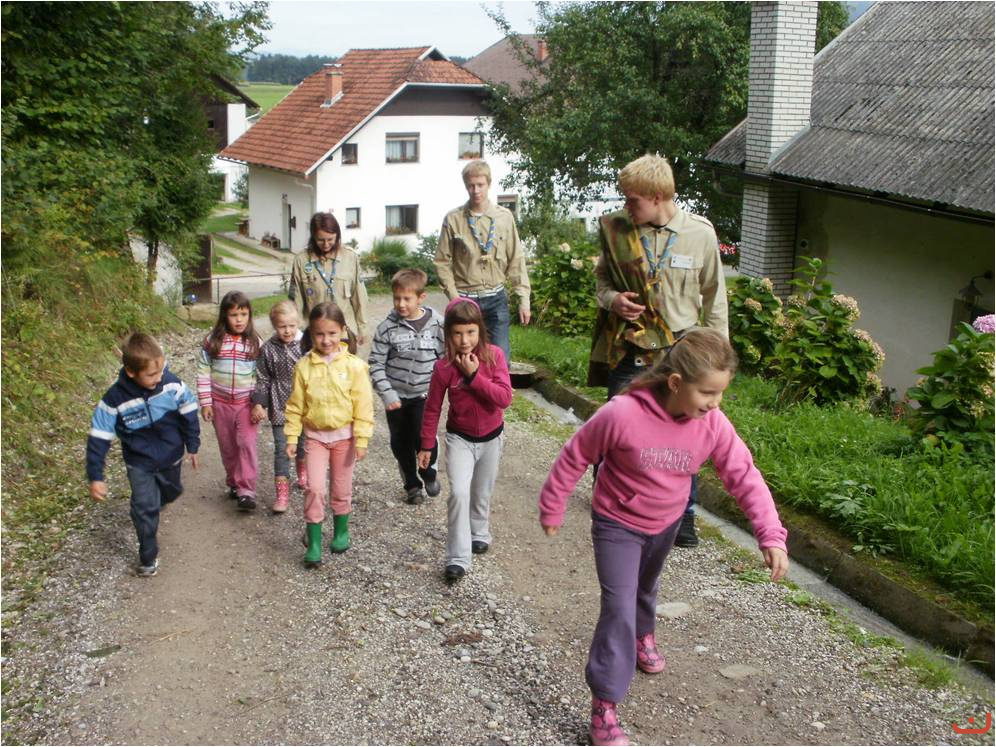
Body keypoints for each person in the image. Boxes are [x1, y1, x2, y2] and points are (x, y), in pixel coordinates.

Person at [540, 329, 788, 747]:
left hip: (666, 522)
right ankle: (604, 705)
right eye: (707, 392)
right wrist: (553, 504)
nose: (715, 403)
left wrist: (770, 534)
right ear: (675, 383)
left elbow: (744, 475)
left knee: (646, 588)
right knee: (618, 607)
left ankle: (643, 634)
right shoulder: (621, 414)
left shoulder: (712, 423)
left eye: (721, 393)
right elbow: (575, 455)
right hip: (617, 523)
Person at [589, 153, 729, 548]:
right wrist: (614, 300)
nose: (626, 206)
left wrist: (717, 359)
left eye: (632, 199)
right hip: (630, 349)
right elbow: (601, 284)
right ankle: (611, 499)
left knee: (686, 431)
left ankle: (684, 514)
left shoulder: (700, 234)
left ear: (656, 196)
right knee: (617, 426)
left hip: (679, 352)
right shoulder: (618, 230)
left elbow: (714, 298)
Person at [86, 333, 200, 577]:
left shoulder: (171, 385)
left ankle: (159, 500)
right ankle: (148, 556)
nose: (158, 378)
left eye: (160, 371)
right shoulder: (114, 399)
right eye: (151, 374)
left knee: (171, 492)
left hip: (170, 456)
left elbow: (189, 411)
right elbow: (99, 436)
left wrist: (193, 444)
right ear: (131, 372)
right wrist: (96, 476)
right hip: (139, 463)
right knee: (144, 508)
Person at [418, 297, 513, 582]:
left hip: (492, 438)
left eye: (470, 332)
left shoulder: (494, 357)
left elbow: (504, 398)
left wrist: (474, 376)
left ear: (480, 330)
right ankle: (457, 557)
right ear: (448, 334)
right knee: (459, 492)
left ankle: (479, 531)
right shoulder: (444, 367)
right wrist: (426, 444)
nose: (464, 340)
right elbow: (432, 408)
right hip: (459, 439)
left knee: (482, 491)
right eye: (457, 333)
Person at [284, 302, 374, 566]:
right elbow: (295, 406)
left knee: (341, 488)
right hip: (315, 438)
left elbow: (363, 406)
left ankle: (341, 531)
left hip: (345, 439)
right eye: (320, 334)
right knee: (314, 487)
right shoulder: (303, 366)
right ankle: (313, 541)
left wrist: (362, 438)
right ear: (311, 334)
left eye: (332, 333)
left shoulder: (355, 367)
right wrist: (292, 436)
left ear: (343, 330)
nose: (326, 340)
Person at [434, 160, 531, 361]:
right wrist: (455, 298)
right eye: (471, 185)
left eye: (480, 185)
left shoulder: (504, 217)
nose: (476, 190)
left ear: (489, 184)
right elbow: (442, 262)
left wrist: (524, 299)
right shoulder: (453, 219)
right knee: (463, 358)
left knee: (500, 359)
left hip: (496, 299)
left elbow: (516, 258)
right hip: (465, 299)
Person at [368, 268, 445, 505]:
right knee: (400, 442)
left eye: (407, 298)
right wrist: (387, 393)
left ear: (421, 297)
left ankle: (428, 472)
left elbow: (446, 360)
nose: (401, 304)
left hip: (424, 395)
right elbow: (375, 363)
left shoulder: (438, 324)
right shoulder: (387, 328)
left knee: (423, 437)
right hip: (396, 398)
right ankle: (412, 485)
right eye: (397, 298)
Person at [196, 290, 261, 511]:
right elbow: (203, 372)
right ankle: (233, 481)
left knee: (246, 444)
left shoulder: (255, 342)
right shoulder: (212, 341)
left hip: (246, 404)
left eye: (243, 314)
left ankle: (247, 490)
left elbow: (261, 377)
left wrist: (259, 403)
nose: (239, 320)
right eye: (234, 315)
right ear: (225, 315)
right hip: (220, 404)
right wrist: (206, 402)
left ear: (249, 315)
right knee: (228, 447)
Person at [251, 300, 307, 513]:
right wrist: (259, 403)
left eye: (292, 325)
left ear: (298, 322)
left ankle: (303, 474)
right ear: (274, 326)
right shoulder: (267, 349)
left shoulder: (306, 345)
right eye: (282, 326)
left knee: (303, 444)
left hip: (304, 405)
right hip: (279, 406)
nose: (287, 331)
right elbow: (263, 378)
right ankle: (282, 494)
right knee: (282, 449)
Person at [289, 211, 370, 348]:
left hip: (343, 335)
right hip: (315, 336)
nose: (326, 244)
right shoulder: (301, 260)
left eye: (330, 239)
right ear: (313, 237)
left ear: (337, 236)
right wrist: (296, 332)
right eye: (320, 240)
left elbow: (359, 297)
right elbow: (295, 301)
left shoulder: (350, 258)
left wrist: (362, 328)